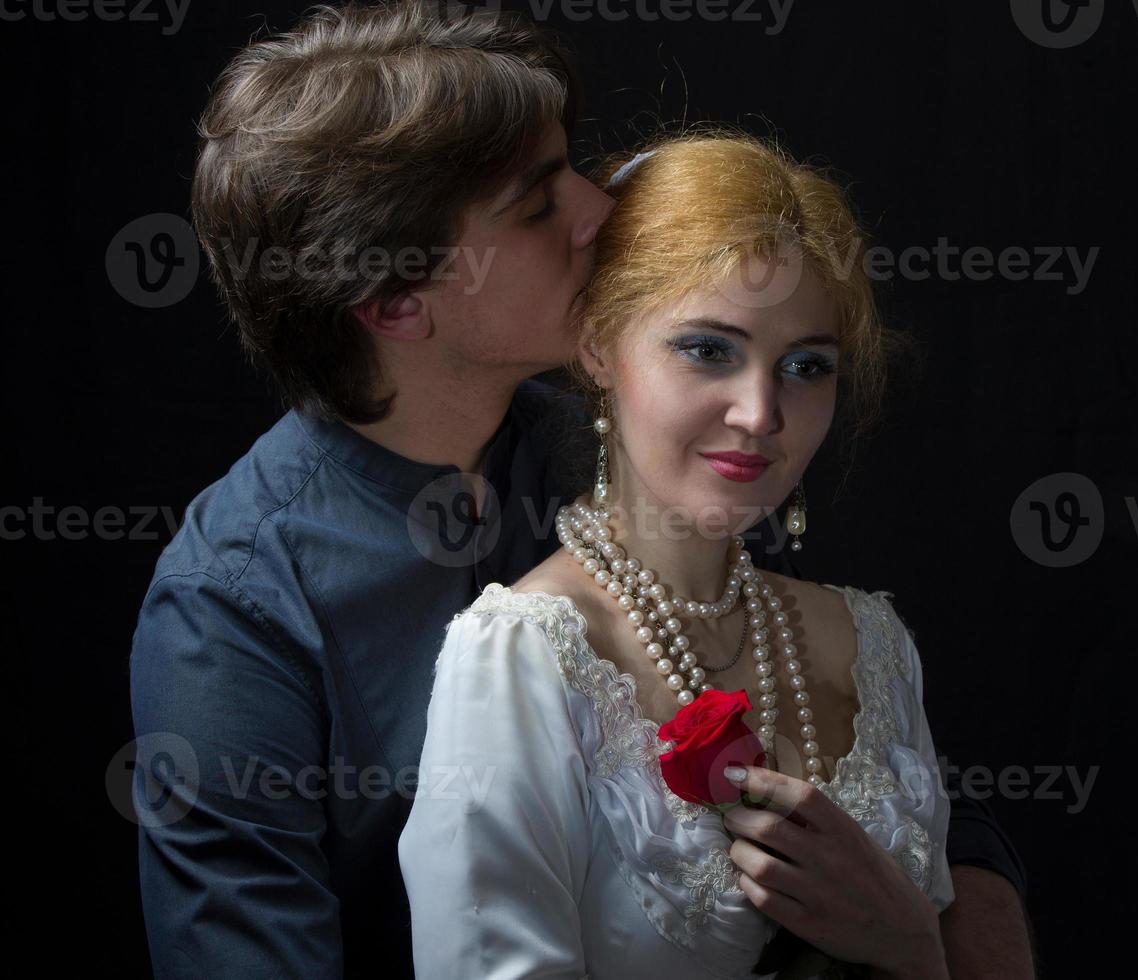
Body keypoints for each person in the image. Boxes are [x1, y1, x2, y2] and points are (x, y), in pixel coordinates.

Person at [128, 3, 1032, 977]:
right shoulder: (232, 605)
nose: (600, 206)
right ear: (395, 300)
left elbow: (846, 725)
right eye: (537, 202)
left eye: (571, 165)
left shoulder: (615, 431)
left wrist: (950, 931)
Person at [400, 131, 963, 979]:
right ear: (598, 345)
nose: (760, 412)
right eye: (709, 350)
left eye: (806, 366)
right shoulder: (519, 660)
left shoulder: (870, 641)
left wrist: (914, 948)